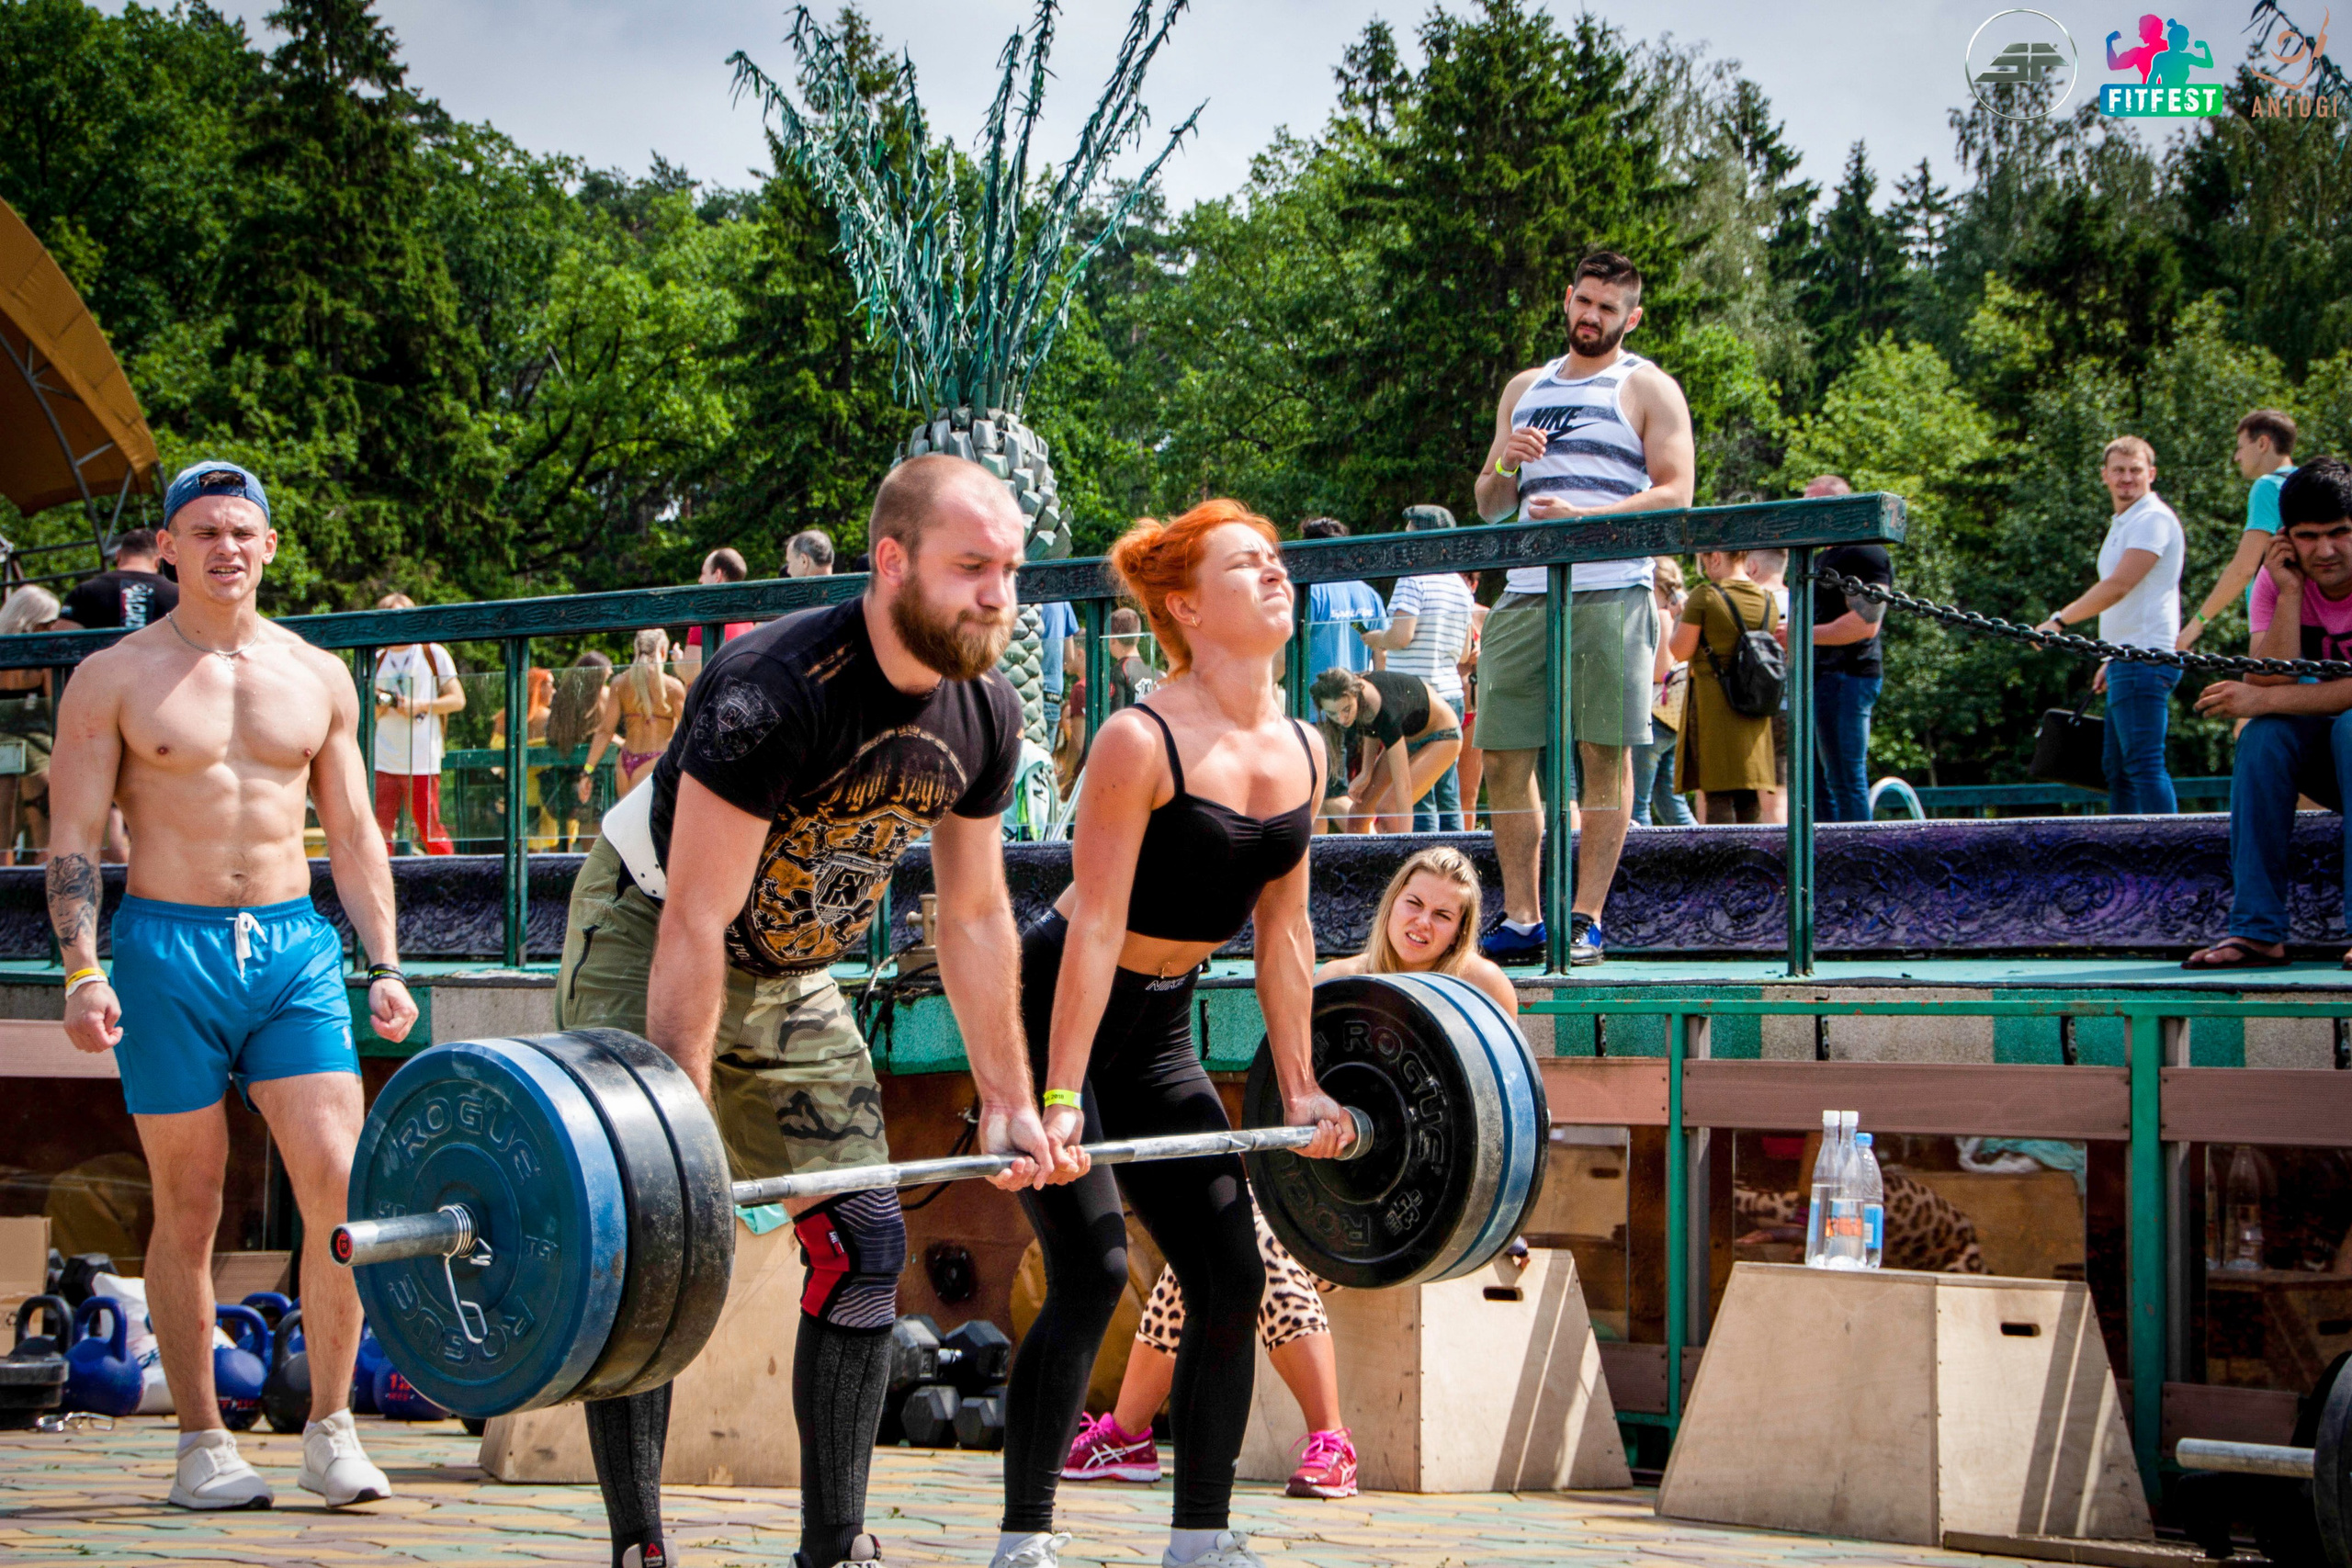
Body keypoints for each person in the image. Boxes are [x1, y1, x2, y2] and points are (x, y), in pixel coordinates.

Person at [556, 453, 1055, 1568]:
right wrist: (675, 1136)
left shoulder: (986, 712)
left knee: (869, 1237)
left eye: (1011, 571)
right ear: (890, 563)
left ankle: (835, 1549)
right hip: (654, 925)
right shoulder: (770, 688)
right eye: (971, 567)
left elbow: (974, 915)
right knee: (651, 1233)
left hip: (789, 970)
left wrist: (1012, 1101)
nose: (997, 596)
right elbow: (694, 919)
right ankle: (640, 1546)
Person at [48, 459, 418, 1510]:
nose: (226, 548)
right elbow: (72, 839)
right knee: (191, 1201)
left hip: (294, 949)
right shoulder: (115, 677)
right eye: (204, 531)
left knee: (341, 1186)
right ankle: (204, 1444)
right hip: (167, 951)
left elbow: (352, 831)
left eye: (242, 531)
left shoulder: (316, 674)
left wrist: (383, 964)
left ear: (269, 547)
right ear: (168, 549)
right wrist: (81, 969)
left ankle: (333, 1429)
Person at [999, 499, 1352, 1568]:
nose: (1276, 574)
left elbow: (1285, 935)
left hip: (1159, 1026)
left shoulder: (1304, 746)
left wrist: (1300, 1091)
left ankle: (1199, 1537)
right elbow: (1095, 924)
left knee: (1230, 1272)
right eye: (1248, 565)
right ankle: (1024, 1538)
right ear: (1186, 607)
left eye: (1276, 559)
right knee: (1095, 1270)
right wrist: (1055, 1100)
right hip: (1060, 1001)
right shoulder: (1135, 737)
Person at [1471, 252, 1696, 966]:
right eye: (1584, 301)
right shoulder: (1524, 386)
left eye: (1609, 308)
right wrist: (1507, 462)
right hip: (1527, 591)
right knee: (1504, 756)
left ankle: (1586, 917)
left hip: (1610, 588)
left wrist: (1589, 520)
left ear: (1631, 317)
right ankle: (1522, 916)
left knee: (1605, 754)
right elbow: (1489, 503)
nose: (1592, 316)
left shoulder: (1648, 387)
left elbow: (1676, 491)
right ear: (1567, 299)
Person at [2184, 457, 2352, 970]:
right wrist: (2291, 593)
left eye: (2340, 533)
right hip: (2334, 755)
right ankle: (2257, 933)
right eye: (2308, 536)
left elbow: (2260, 692)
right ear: (2285, 539)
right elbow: (2268, 677)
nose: (2324, 550)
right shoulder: (2279, 581)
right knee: (2264, 737)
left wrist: (2259, 700)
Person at [1065, 1213, 1353, 1499]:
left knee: (1254, 1239)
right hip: (1278, 1210)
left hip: (1360, 1237)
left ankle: (1334, 1442)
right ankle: (1126, 1437)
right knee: (1200, 1242)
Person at [2034, 435, 2185, 815]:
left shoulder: (2151, 519)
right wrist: (2109, 659)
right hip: (2126, 659)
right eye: (2119, 470)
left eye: (2136, 470)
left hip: (2145, 659)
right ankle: (2129, 858)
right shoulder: (2127, 521)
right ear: (2104, 476)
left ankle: (2166, 857)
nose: (2127, 478)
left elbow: (2119, 586)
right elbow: (2130, 600)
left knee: (2144, 768)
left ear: (2152, 474)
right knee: (2117, 772)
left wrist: (2059, 621)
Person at [1360, 506, 1476, 831]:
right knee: (1446, 790)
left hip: (1415, 699)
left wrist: (1377, 638)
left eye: (1409, 531)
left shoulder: (1413, 578)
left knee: (1416, 794)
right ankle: (1455, 859)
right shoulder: (1459, 585)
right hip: (1451, 694)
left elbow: (1402, 635)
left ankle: (1425, 864)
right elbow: (1465, 651)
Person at [1803, 475, 1894, 823]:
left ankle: (1857, 863)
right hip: (1820, 676)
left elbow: (1864, 625)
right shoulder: (1820, 554)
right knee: (1815, 784)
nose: (1807, 513)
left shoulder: (1862, 550)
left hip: (1848, 676)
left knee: (1845, 779)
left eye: (1816, 504)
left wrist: (1800, 635)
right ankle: (1823, 859)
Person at [1668, 549, 1781, 823]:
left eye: (1702, 562)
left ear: (1716, 557)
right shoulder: (1768, 599)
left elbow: (1680, 651)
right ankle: (1750, 862)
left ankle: (1722, 863)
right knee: (1748, 795)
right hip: (1754, 704)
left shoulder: (1705, 597)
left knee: (1717, 793)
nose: (1704, 569)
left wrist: (1677, 618)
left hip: (1714, 705)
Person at [2181, 411, 2299, 651]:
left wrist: (2195, 625)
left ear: (2263, 443)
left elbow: (2243, 569)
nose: (2236, 457)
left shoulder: (2268, 486)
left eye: (2241, 446)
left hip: (2277, 625)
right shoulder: (2310, 483)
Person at [1311, 668, 1463, 834]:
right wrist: (1366, 772)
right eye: (1332, 713)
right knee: (1358, 815)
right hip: (1407, 736)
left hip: (1443, 736)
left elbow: (1403, 788)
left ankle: (1401, 857)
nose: (1341, 718)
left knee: (1388, 808)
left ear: (1356, 695)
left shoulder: (1382, 709)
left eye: (1346, 710)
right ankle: (1366, 859)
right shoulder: (1361, 702)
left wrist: (1404, 842)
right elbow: (1371, 727)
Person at [369, 594, 464, 855]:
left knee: (430, 830)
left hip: (422, 759)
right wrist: (381, 706)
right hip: (384, 758)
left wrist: (420, 705)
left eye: (401, 617)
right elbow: (367, 715)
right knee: (379, 832)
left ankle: (450, 883)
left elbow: (458, 699)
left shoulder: (432, 653)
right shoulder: (376, 658)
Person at [1632, 559, 1695, 827]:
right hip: (1674, 717)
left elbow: (1661, 670)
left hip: (1654, 715)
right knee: (1669, 798)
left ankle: (1640, 863)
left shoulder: (1661, 614)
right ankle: (1702, 853)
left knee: (1637, 803)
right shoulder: (1683, 609)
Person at [587, 628, 686, 797]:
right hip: (655, 760)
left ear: (636, 650)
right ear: (663, 652)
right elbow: (688, 732)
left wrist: (587, 770)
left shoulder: (620, 683)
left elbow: (605, 731)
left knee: (627, 822)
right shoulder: (672, 687)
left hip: (625, 763)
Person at [0, 586, 59, 863]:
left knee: (3, 837)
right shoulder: (43, 655)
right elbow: (54, 705)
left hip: (5, 746)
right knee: (44, 836)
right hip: (34, 746)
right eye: (49, 623)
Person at [539, 651, 614, 851]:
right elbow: (606, 733)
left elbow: (552, 736)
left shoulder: (563, 698)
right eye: (606, 677)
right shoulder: (598, 697)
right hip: (590, 774)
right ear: (596, 677)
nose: (608, 681)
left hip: (565, 775)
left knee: (579, 828)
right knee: (592, 827)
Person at [1297, 518, 1389, 679]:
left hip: (1315, 700)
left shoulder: (1310, 593)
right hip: (1357, 700)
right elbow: (1382, 652)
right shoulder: (1370, 595)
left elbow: (1287, 655)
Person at [54, 527, 178, 632]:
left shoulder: (85, 591)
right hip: (159, 660)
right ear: (158, 560)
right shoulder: (177, 594)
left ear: (118, 555)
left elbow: (62, 640)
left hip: (103, 660)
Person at [1746, 547, 1792, 824]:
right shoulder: (1800, 601)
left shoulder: (1752, 601)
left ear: (1751, 567)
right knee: (1781, 793)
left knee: (1765, 799)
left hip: (1754, 705)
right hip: (1791, 702)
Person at [489, 666, 554, 847]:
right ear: (539, 687)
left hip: (514, 791)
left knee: (525, 848)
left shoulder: (504, 718)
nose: (554, 691)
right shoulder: (550, 718)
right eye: (551, 685)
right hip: (547, 792)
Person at [677, 547, 757, 685]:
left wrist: (677, 661)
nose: (700, 580)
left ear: (717, 575)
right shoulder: (747, 621)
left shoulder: (703, 617)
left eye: (703, 573)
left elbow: (690, 674)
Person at [1454, 571, 1489, 831]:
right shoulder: (1441, 611)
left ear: (1473, 585)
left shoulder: (1484, 615)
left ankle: (1467, 848)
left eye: (1465, 580)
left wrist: (1482, 656)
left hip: (1474, 711)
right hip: (1445, 708)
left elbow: (1506, 660)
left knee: (1468, 793)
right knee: (1436, 792)